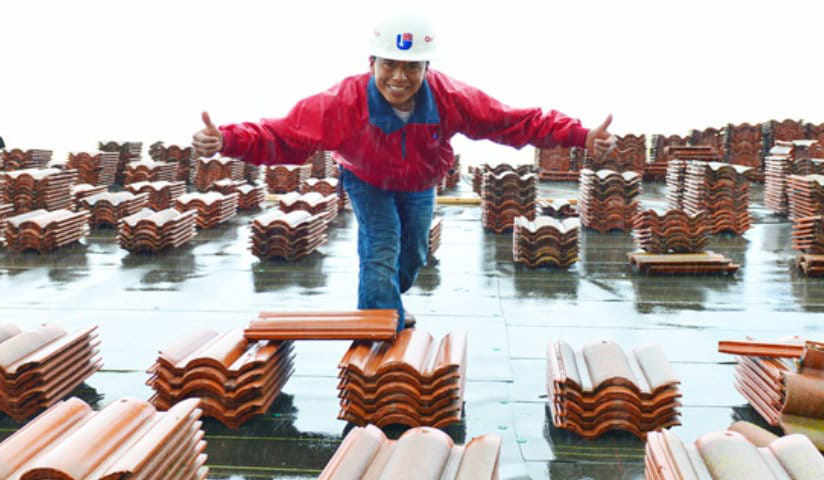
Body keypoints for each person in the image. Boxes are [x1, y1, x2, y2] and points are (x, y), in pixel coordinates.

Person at [193, 13, 616, 330]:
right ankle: (376, 334)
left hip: (418, 183)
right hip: (366, 179)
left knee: (413, 253)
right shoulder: (341, 103)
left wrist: (580, 135)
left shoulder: (451, 98)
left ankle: (388, 303)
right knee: (381, 246)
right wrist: (227, 140)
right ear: (372, 62)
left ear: (427, 69)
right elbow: (281, 135)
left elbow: (511, 122)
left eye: (412, 67)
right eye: (390, 64)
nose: (400, 76)